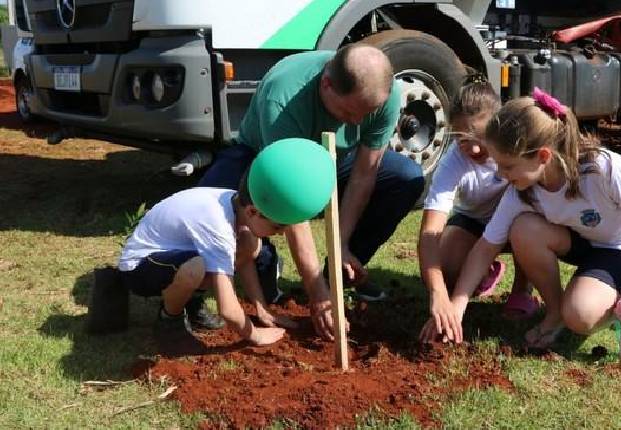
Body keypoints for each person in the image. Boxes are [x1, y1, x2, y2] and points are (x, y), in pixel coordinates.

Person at [199, 43, 424, 340]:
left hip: (337, 159)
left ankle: (339, 274)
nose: (355, 122)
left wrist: (339, 244)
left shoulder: (385, 94)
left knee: (406, 177)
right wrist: (315, 291)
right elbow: (290, 192)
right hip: (263, 161)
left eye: (365, 113)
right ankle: (207, 289)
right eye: (347, 111)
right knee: (206, 205)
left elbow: (364, 173)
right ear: (326, 83)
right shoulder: (284, 97)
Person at [422, 88, 621, 349]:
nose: (501, 175)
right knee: (524, 228)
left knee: (580, 314)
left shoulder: (603, 168)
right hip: (579, 243)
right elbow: (485, 247)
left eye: (507, 166)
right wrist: (457, 306)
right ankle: (555, 312)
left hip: (619, 249)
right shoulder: (522, 191)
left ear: (543, 156)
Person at [118, 139, 336, 349]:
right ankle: (169, 321)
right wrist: (257, 335)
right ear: (253, 212)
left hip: (175, 255)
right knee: (195, 268)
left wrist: (262, 309)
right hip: (139, 267)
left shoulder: (237, 206)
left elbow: (245, 261)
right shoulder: (218, 225)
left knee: (250, 245)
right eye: (277, 227)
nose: (279, 235)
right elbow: (228, 310)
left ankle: (190, 302)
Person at [418, 75, 536, 344]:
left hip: (517, 224)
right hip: (474, 222)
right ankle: (483, 270)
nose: (472, 148)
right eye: (461, 140)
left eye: (480, 137)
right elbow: (429, 234)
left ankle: (522, 290)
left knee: (526, 226)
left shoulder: (518, 150)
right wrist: (438, 294)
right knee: (445, 269)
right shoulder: (453, 163)